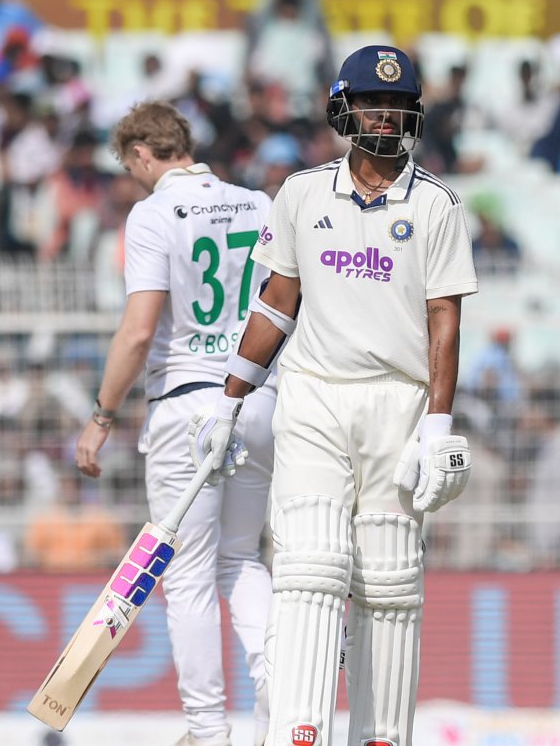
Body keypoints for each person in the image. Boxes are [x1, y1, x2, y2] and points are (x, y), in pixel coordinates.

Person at [188, 45, 477, 745]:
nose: (385, 117)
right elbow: (276, 304)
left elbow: (444, 320)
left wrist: (438, 425)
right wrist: (229, 400)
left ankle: (381, 736)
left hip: (399, 401)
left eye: (398, 106)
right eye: (373, 104)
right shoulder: (302, 193)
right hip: (313, 395)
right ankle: (299, 732)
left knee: (389, 581)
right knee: (309, 568)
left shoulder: (436, 204)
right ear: (344, 111)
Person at [73, 101, 277, 746]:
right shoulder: (257, 204)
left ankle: (207, 731)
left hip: (188, 402)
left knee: (187, 575)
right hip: (260, 398)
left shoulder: (152, 213)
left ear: (140, 154)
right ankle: (281, 698)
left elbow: (139, 331)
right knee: (241, 559)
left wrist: (102, 416)